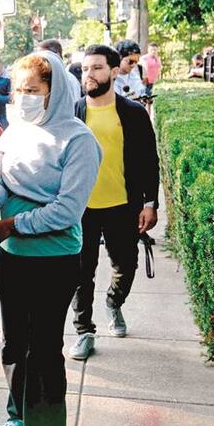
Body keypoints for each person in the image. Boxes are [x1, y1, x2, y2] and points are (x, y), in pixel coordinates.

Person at [0, 51, 101, 426]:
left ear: (56, 92)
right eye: (19, 90)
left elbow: (67, 211)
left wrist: (15, 223)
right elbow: (1, 187)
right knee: (15, 343)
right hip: (11, 255)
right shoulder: (15, 132)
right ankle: (19, 410)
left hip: (53, 259)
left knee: (44, 350)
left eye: (33, 91)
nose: (24, 98)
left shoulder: (78, 140)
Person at [68, 45, 159, 360]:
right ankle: (84, 331)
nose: (89, 75)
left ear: (113, 71)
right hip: (81, 209)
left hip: (123, 205)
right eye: (84, 69)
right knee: (81, 272)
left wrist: (150, 203)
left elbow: (149, 160)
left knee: (126, 265)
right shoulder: (74, 112)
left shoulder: (132, 113)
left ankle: (113, 303)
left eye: (96, 68)